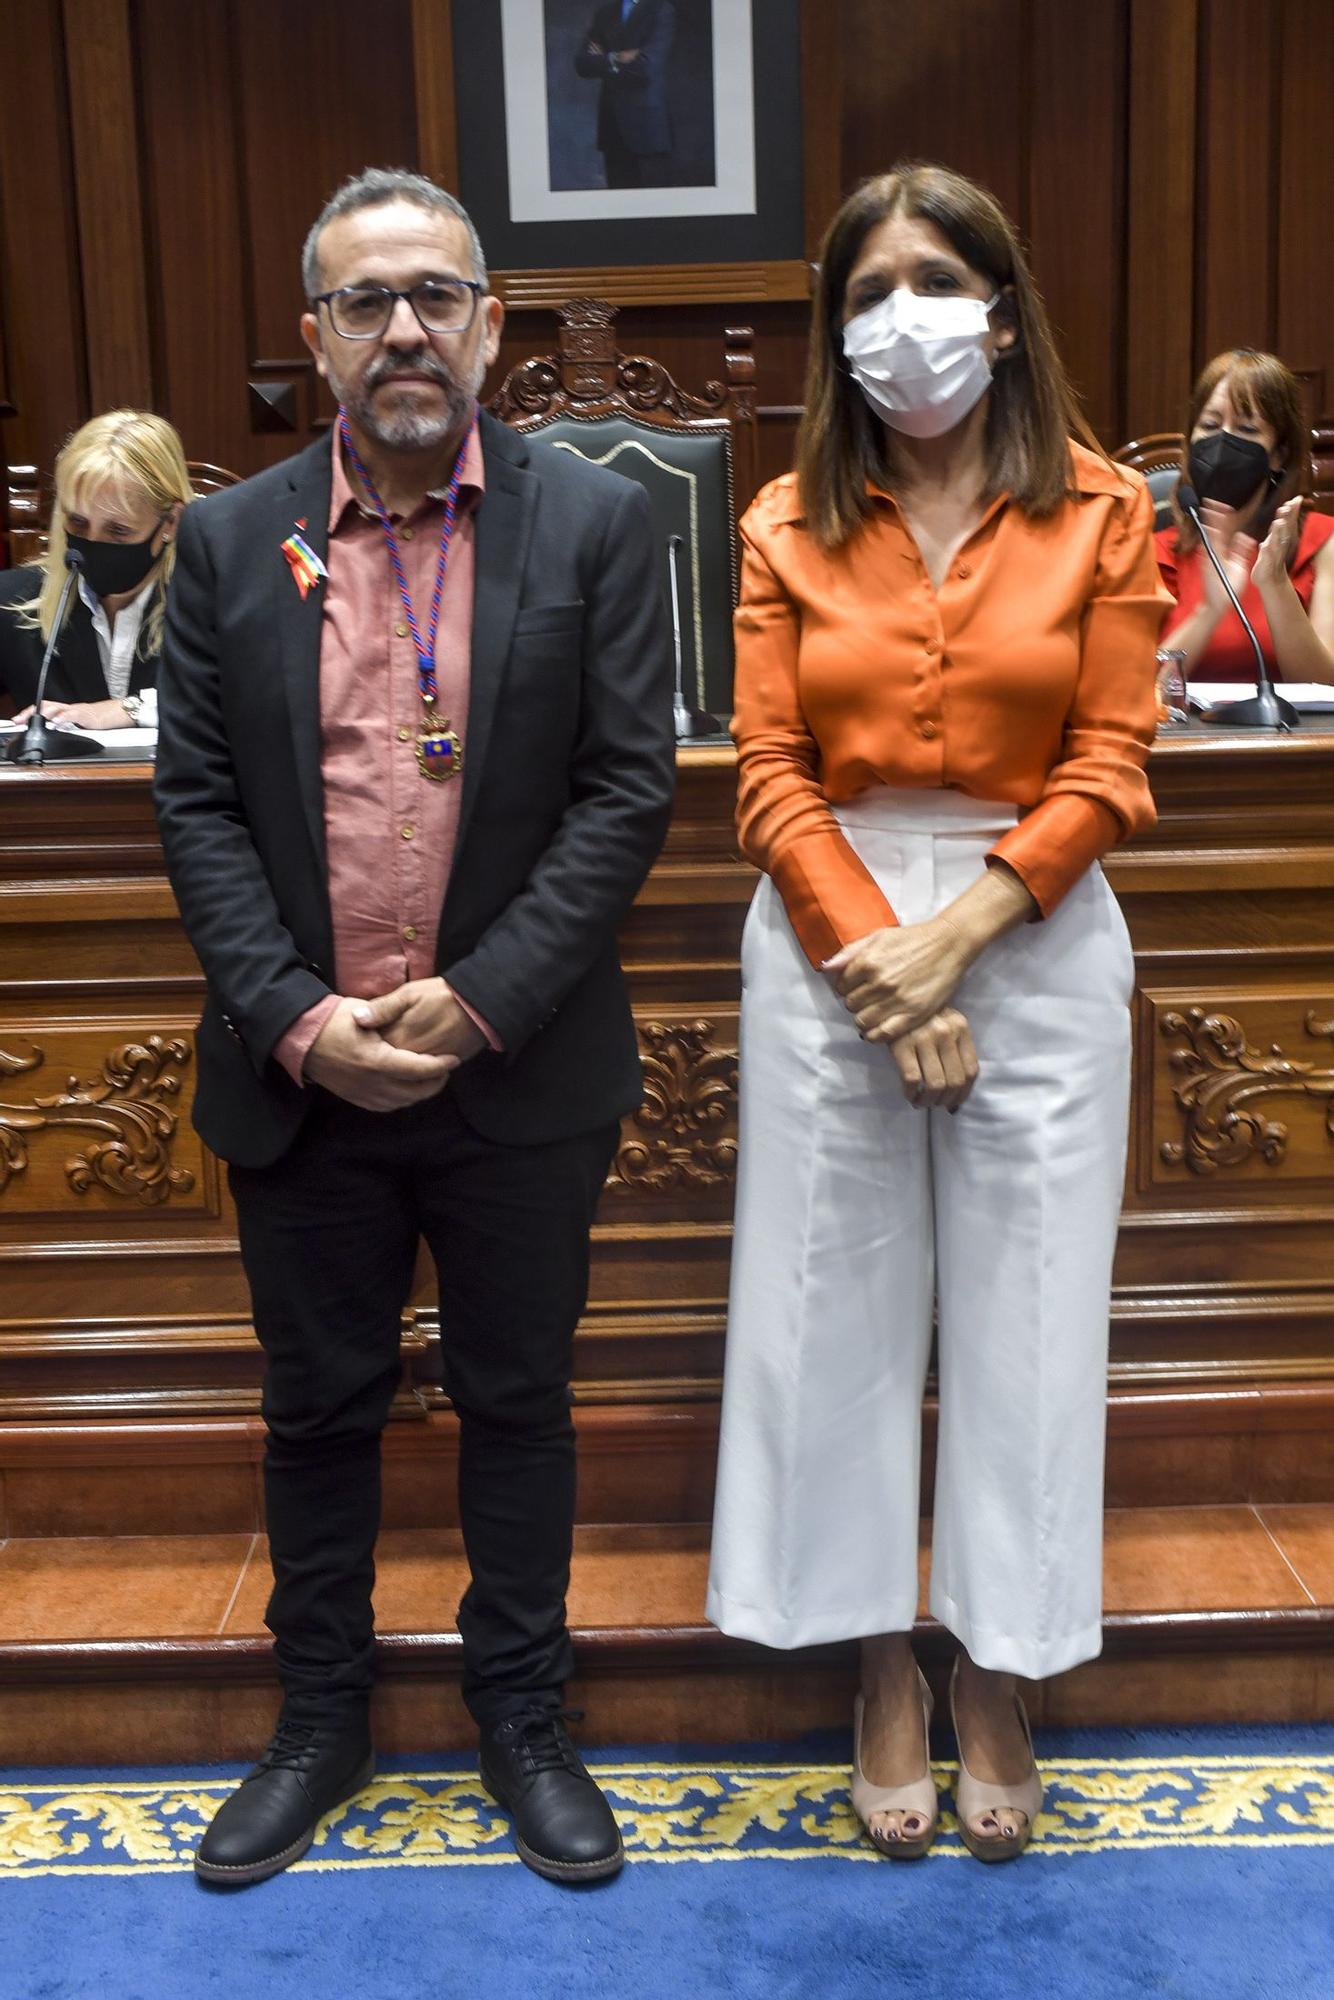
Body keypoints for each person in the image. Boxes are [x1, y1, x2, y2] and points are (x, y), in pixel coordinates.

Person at [153, 167, 675, 1888]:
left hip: (514, 1070)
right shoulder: (227, 540)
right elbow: (199, 810)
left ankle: (524, 1715)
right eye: (365, 300)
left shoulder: (595, 524)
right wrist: (299, 1018)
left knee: (519, 1404)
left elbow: (622, 793)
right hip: (301, 1082)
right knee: (317, 1414)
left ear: (489, 326)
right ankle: (322, 1717)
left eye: (434, 296)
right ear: (313, 336)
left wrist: (479, 1001)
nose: (402, 329)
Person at [705, 163, 1170, 1862]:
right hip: (825, 923)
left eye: (934, 278)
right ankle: (875, 1664)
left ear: (997, 304)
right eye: (869, 286)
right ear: (836, 327)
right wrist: (873, 961)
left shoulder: (1102, 512)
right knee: (827, 1317)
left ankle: (994, 1663)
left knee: (1027, 1318)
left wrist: (958, 932)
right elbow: (762, 772)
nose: (904, 314)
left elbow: (1112, 761)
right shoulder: (777, 519)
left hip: (1032, 927)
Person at [0, 410, 191, 728]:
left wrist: (130, 709)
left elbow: (248, 699)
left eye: (118, 531)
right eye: (77, 522)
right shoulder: (9, 601)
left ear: (171, 522)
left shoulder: (215, 602)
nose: (93, 542)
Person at [1154, 348, 1334, 684]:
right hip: (1185, 736)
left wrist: (1275, 583)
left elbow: (1326, 687)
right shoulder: (1156, 551)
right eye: (1209, 424)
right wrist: (1208, 613)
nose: (1223, 440)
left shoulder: (1322, 542)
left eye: (1247, 429)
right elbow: (1138, 689)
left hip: (1294, 737)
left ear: (1278, 455)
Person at [574, 0, 676, 189]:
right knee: (617, 203)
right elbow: (582, 64)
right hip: (612, 127)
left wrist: (604, 58)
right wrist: (616, 57)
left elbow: (647, 67)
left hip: (647, 128)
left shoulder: (661, 9)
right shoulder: (604, 12)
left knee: (654, 206)